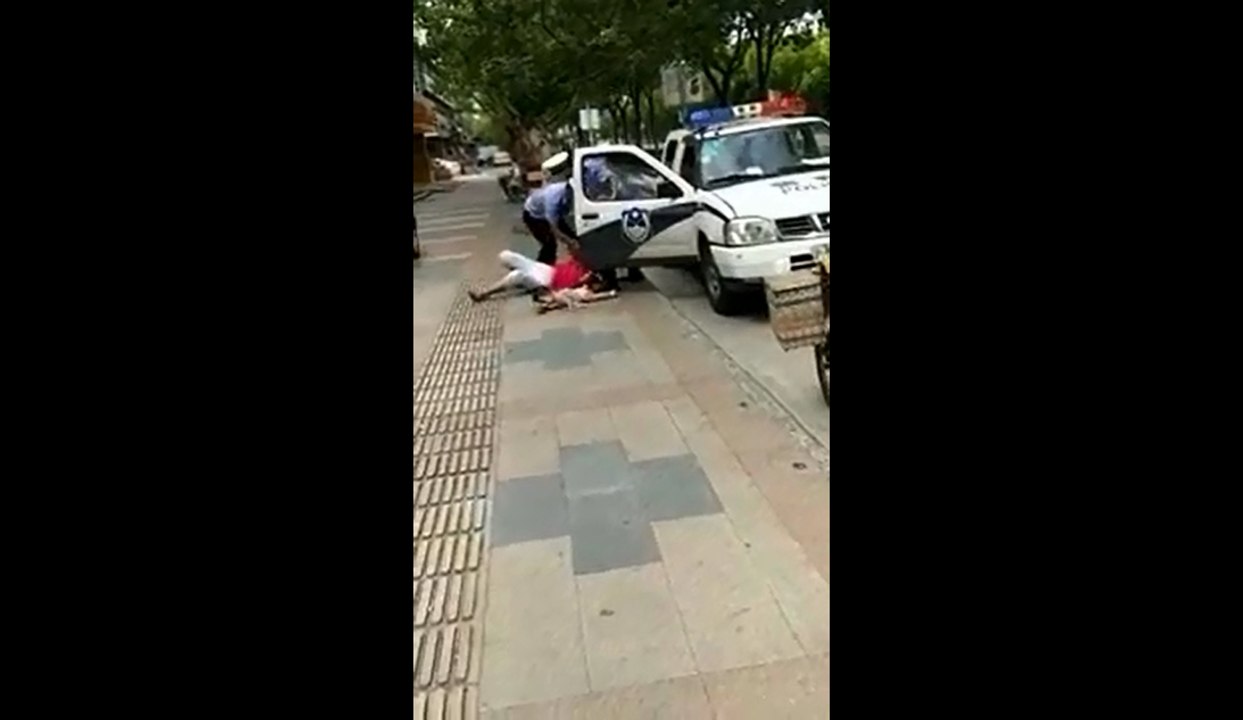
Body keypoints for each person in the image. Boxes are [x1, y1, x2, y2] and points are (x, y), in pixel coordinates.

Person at [468, 248, 592, 303]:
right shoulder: (582, 260)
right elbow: (571, 254)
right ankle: (521, 283)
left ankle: (484, 293)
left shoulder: (588, 276)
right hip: (546, 269)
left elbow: (582, 289)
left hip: (547, 281)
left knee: (517, 276)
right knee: (505, 256)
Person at [521, 179, 569, 265]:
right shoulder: (551, 199)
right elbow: (554, 227)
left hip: (547, 210)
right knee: (549, 244)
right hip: (533, 216)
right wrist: (567, 240)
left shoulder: (566, 187)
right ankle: (542, 267)